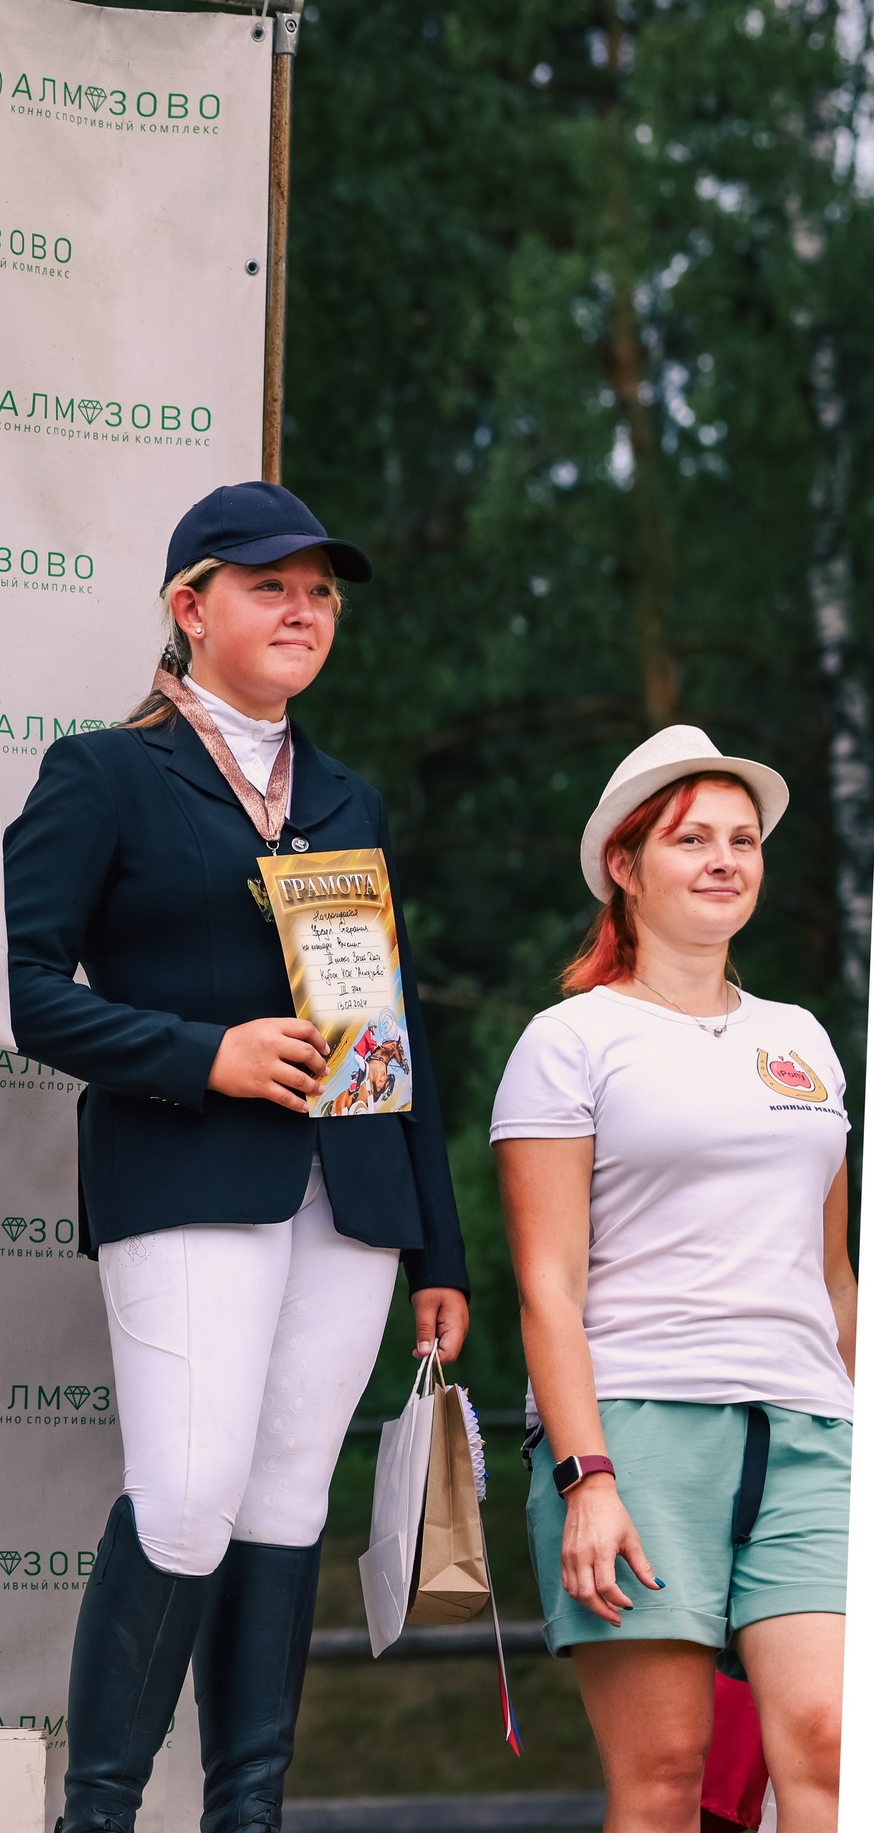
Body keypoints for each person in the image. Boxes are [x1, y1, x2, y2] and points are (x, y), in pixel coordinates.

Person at [2, 483, 469, 1833]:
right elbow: (20, 988)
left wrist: (437, 1250)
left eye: (320, 592)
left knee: (284, 1504)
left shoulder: (348, 795)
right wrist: (200, 1053)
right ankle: (98, 1816)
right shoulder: (102, 772)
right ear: (189, 607)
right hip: (187, 1173)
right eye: (271, 585)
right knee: (189, 1493)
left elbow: (393, 1027)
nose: (304, 610)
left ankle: (246, 1818)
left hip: (353, 1199)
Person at [496, 728, 850, 1833]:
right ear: (625, 863)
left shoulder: (804, 1038)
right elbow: (547, 1285)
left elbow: (833, 1270)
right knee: (665, 1777)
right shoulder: (569, 1040)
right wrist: (585, 1475)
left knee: (832, 1748)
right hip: (639, 1432)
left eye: (742, 839)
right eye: (692, 838)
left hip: (813, 1433)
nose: (723, 860)